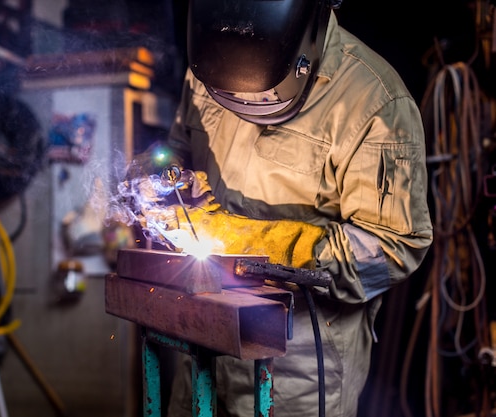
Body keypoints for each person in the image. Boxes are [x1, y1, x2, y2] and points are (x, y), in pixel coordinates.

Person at [123, 0, 433, 416]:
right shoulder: (210, 58)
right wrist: (165, 173)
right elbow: (181, 145)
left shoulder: (373, 102)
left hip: (299, 367)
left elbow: (394, 247)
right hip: (202, 340)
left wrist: (249, 240)